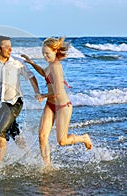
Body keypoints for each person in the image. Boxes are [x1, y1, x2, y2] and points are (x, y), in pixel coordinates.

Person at [21, 37, 92, 168]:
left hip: (63, 106)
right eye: (43, 53)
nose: (44, 56)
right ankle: (47, 166)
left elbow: (58, 91)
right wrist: (31, 62)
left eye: (47, 53)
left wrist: (42, 94)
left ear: (55, 51)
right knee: (42, 136)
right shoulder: (50, 66)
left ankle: (84, 138)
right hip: (50, 104)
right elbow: (44, 73)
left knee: (62, 141)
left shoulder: (56, 67)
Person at [0, 35, 42, 164]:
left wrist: (37, 92)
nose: (10, 49)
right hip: (0, 104)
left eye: (11, 47)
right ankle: (30, 155)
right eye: (7, 47)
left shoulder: (18, 62)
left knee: (1, 133)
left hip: (15, 102)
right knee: (14, 131)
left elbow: (31, 77)